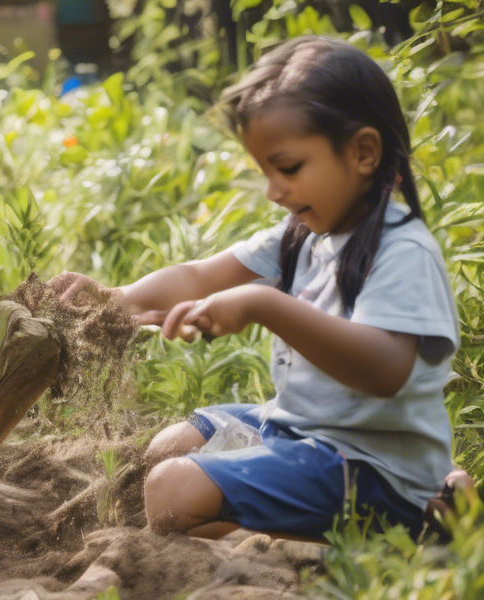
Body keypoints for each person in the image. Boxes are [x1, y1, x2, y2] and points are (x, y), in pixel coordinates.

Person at [78, 36, 461, 540]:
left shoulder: (403, 251)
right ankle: (283, 526)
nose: (273, 191)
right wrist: (112, 299)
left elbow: (386, 370)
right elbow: (198, 276)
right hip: (300, 430)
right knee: (169, 448)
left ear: (364, 152)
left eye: (289, 168)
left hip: (376, 469)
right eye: (265, 172)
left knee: (172, 492)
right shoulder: (302, 235)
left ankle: (401, 529)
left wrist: (263, 305)